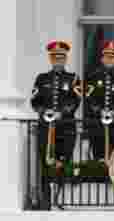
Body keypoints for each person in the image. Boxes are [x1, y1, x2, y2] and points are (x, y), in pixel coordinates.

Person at [31, 40, 82, 178]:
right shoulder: (41, 78)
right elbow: (35, 101)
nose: (58, 60)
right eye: (55, 57)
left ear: (65, 59)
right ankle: (46, 198)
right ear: (50, 58)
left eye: (61, 57)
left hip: (66, 127)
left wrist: (62, 112)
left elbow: (76, 100)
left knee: (63, 162)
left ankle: (61, 196)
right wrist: (43, 111)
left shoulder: (73, 78)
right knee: (45, 164)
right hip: (45, 127)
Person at [83, 40, 114, 161]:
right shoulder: (93, 77)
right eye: (107, 56)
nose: (110, 59)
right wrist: (99, 111)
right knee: (98, 156)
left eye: (113, 57)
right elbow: (89, 99)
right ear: (102, 59)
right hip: (97, 124)